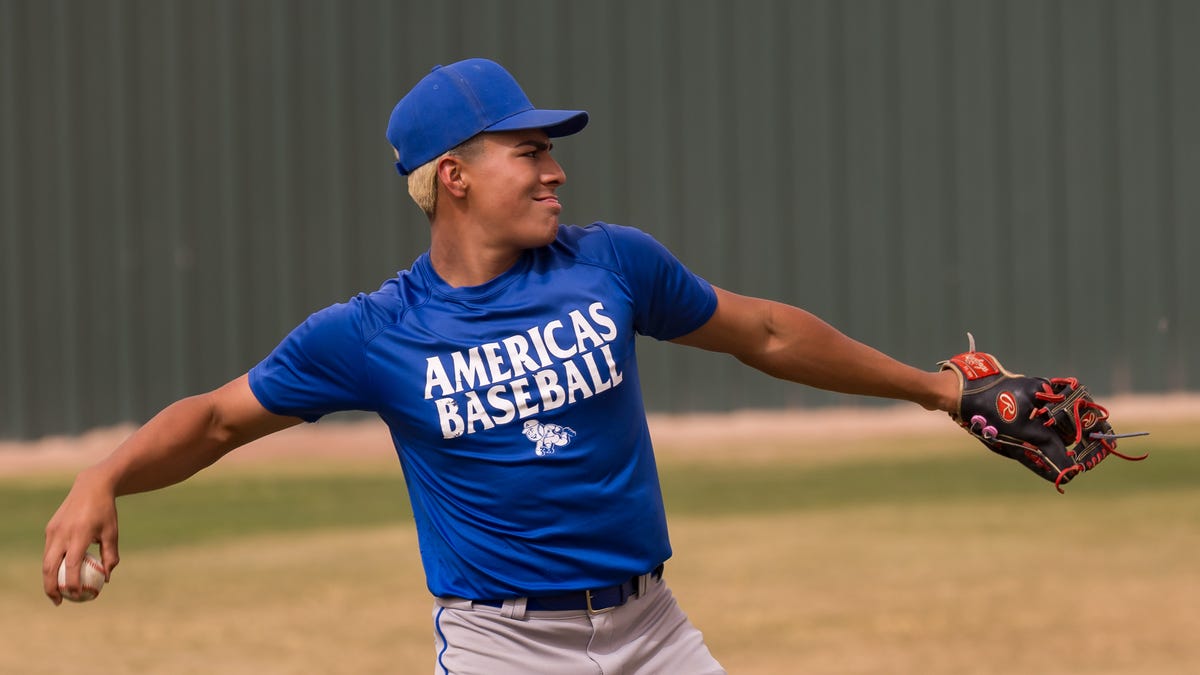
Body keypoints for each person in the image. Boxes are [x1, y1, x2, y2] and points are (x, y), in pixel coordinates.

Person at [44, 58, 959, 673]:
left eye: (550, 149)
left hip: (655, 628)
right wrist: (104, 475)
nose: (554, 170)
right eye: (530, 151)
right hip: (506, 648)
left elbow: (762, 331)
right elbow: (215, 418)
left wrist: (938, 390)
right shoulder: (374, 332)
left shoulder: (611, 263)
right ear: (455, 176)